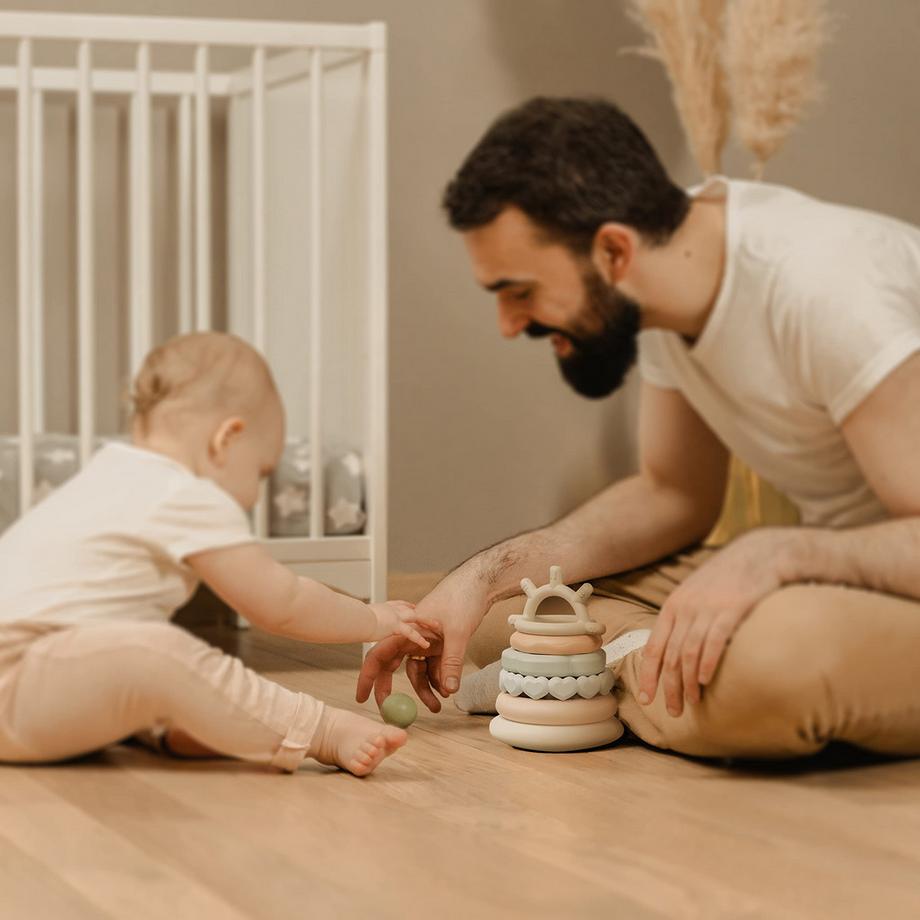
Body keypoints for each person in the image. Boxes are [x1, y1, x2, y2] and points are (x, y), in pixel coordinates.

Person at [358, 96, 920, 759]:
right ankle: (616, 674)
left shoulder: (831, 289)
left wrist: (777, 554)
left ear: (614, 251)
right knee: (509, 614)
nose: (510, 325)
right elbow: (672, 493)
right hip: (849, 570)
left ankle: (576, 684)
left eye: (521, 291)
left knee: (761, 670)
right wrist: (479, 578)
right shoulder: (669, 279)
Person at [0, 331, 433, 775]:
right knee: (158, 652)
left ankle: (173, 727)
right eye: (260, 472)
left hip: (33, 689)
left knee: (130, 648)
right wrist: (373, 619)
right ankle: (318, 729)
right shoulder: (181, 492)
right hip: (16, 685)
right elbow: (283, 604)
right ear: (227, 439)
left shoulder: (110, 473)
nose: (255, 496)